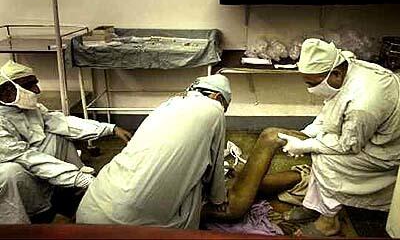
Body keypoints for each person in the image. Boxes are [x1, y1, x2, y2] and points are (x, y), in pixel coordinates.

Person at [76, 74, 302, 228]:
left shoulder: (169, 104)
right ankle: (287, 159)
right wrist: (217, 196)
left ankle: (301, 176)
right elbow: (215, 188)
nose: (223, 111)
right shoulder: (213, 109)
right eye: (225, 106)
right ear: (217, 97)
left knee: (224, 177)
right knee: (233, 205)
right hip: (128, 223)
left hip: (90, 208)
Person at [277, 38, 400, 237]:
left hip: (386, 149)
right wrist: (308, 133)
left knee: (325, 160)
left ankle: (328, 221)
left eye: (312, 84)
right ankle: (315, 205)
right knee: (318, 149)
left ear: (335, 73)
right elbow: (332, 108)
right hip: (367, 132)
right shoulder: (346, 68)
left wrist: (307, 145)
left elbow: (349, 145)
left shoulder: (363, 103)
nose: (309, 88)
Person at [0, 60, 132, 223]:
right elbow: (27, 158)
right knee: (10, 173)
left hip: (29, 160)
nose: (37, 90)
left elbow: (61, 123)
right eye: (29, 86)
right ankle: (28, 222)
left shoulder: (26, 107)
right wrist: (77, 178)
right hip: (11, 172)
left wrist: (110, 129)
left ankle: (71, 195)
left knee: (57, 135)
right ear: (7, 91)